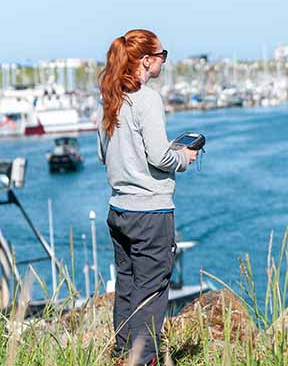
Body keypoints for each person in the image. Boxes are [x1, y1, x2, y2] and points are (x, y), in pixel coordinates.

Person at [97, 29, 197, 365]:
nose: (163, 62)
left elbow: (103, 153)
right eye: (162, 55)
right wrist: (183, 157)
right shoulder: (147, 98)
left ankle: (123, 356)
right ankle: (143, 360)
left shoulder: (111, 96)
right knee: (151, 292)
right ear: (146, 60)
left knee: (127, 288)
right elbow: (159, 157)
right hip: (151, 212)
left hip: (118, 210)